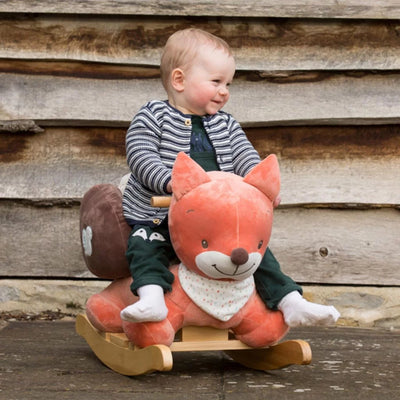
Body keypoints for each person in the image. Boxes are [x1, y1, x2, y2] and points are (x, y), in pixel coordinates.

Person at [120, 28, 340, 327]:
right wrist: (169, 181)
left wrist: (260, 186)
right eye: (216, 82)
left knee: (256, 253)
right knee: (145, 245)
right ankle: (152, 298)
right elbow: (140, 154)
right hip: (160, 214)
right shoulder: (153, 116)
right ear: (179, 80)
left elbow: (244, 154)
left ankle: (290, 301)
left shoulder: (226, 123)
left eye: (228, 84)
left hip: (216, 220)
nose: (224, 91)